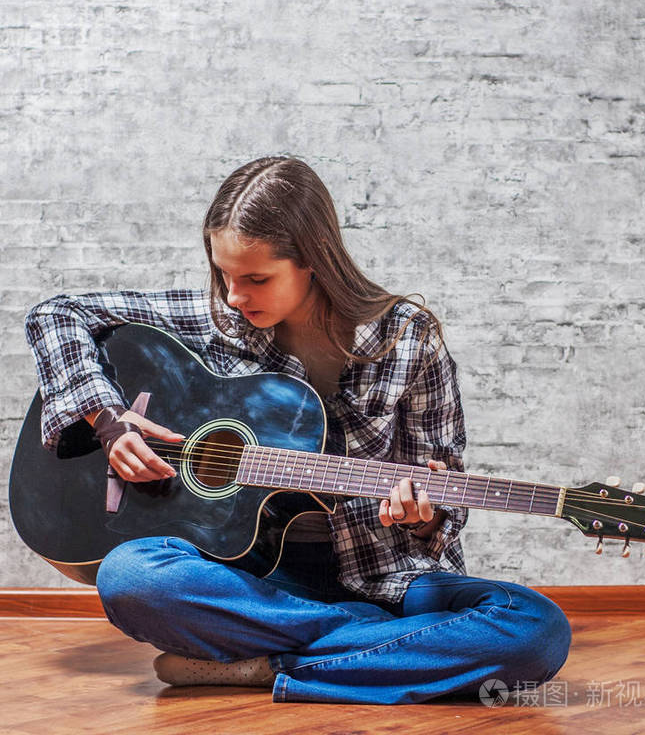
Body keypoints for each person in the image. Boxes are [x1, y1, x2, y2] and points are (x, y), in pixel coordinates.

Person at [24, 155, 571, 705]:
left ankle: (263, 664)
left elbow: (443, 488)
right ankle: (383, 652)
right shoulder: (219, 317)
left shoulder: (408, 339)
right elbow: (55, 315)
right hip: (253, 581)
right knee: (132, 578)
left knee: (537, 629)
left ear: (313, 260)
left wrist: (423, 519)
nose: (235, 296)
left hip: (383, 574)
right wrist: (107, 420)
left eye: (256, 278)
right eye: (223, 274)